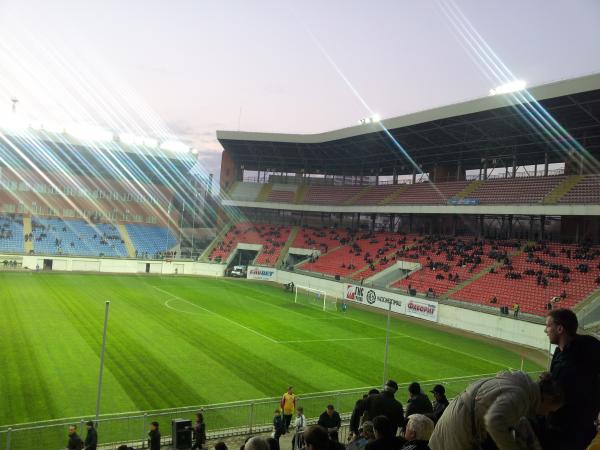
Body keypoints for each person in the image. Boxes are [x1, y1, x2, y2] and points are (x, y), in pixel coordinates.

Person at [428, 371, 564, 450]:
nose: (546, 414)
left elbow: (519, 423)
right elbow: (494, 421)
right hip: (460, 427)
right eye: (550, 410)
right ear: (547, 398)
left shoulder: (522, 391)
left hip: (457, 418)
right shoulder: (520, 396)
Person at [540, 308, 600, 450]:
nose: (545, 330)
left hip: (567, 430)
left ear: (560, 329)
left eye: (548, 326)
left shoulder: (568, 366)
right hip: (585, 425)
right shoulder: (590, 343)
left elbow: (556, 399)